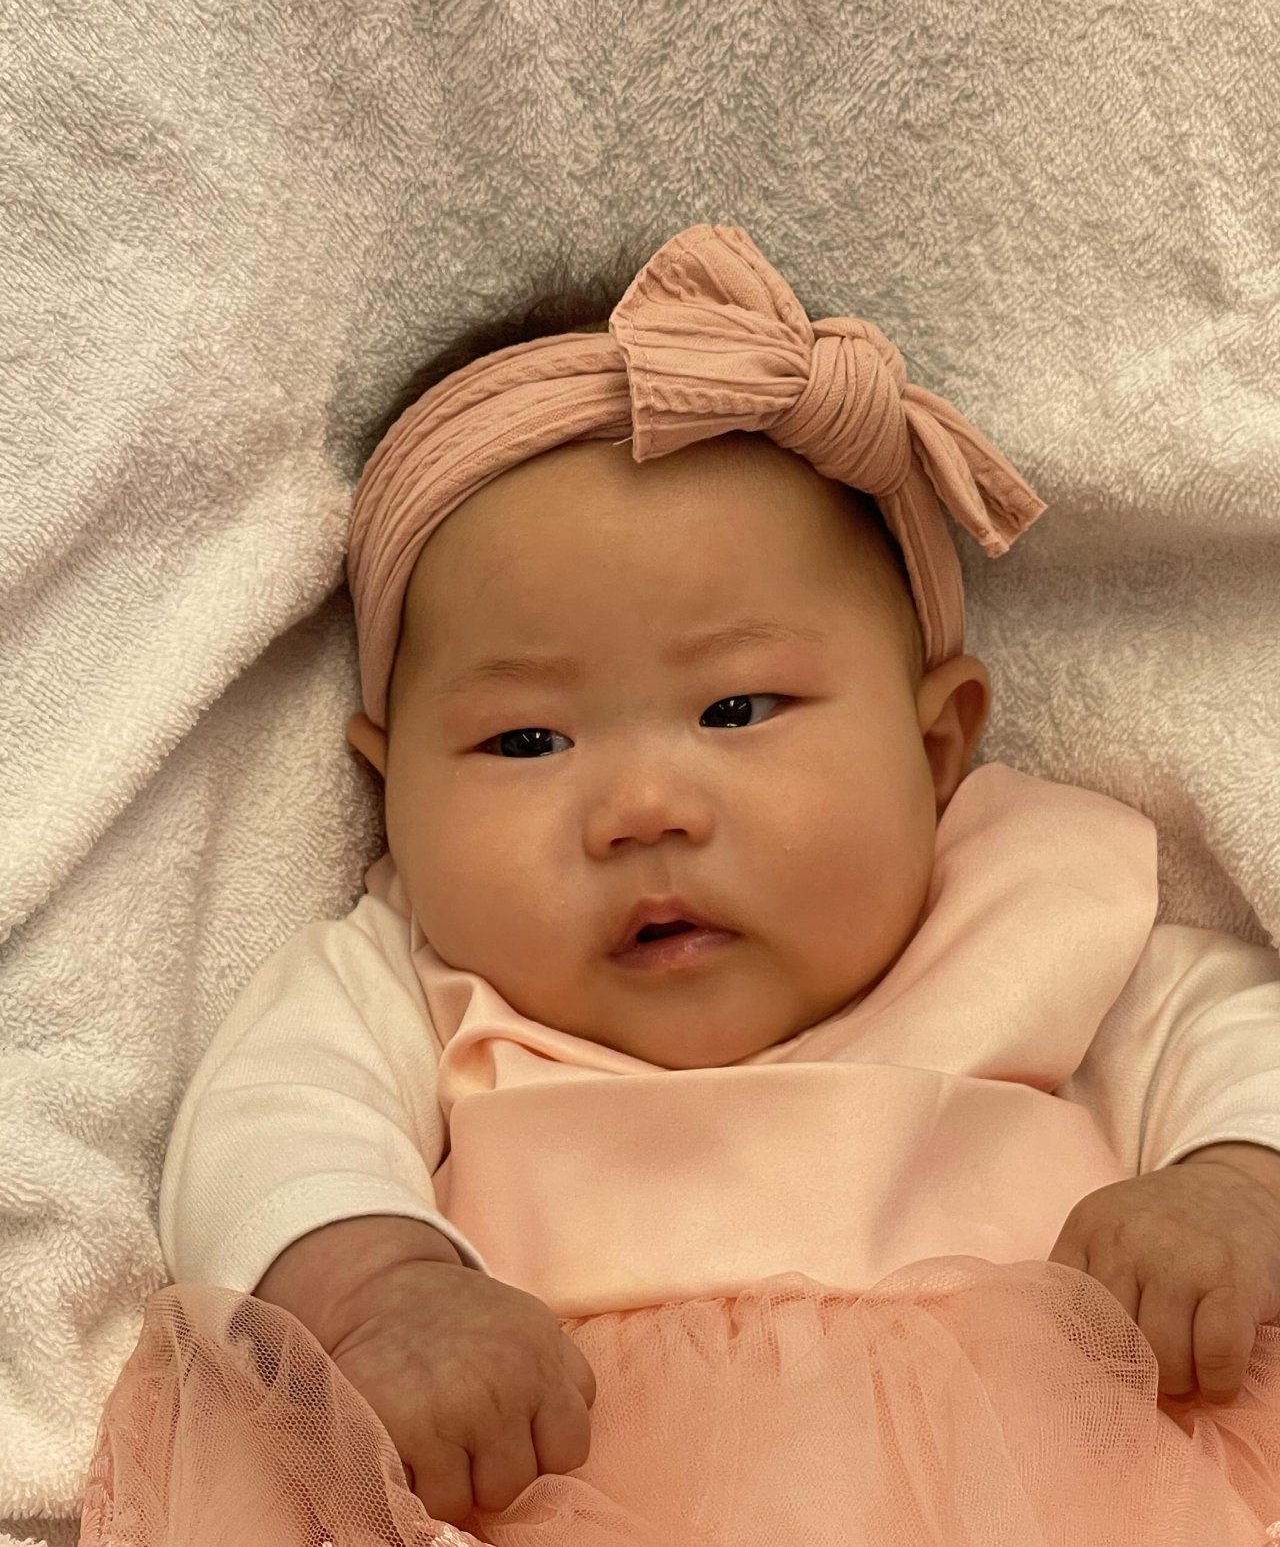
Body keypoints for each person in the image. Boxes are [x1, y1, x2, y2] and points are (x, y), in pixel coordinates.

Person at [80, 225, 1280, 1546]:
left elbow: (1241, 1033)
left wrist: (1231, 1186)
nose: (643, 809)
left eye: (737, 708)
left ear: (938, 744)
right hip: (551, 1479)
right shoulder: (406, 984)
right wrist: (381, 1292)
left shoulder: (1038, 905)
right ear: (391, 790)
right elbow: (266, 1123)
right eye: (524, 740)